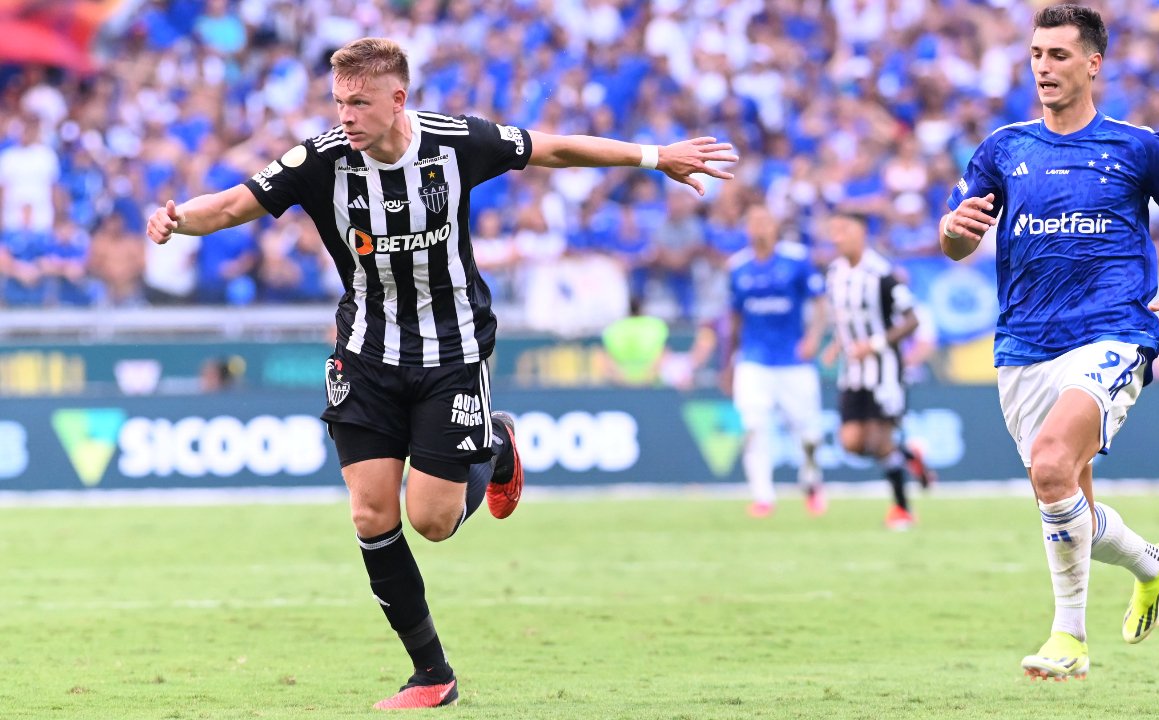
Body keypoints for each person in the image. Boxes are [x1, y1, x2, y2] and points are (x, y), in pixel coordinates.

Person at [145, 37, 736, 710]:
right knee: (370, 512)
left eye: (360, 102)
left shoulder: (458, 144)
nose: (347, 116)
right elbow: (231, 205)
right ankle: (432, 673)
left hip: (450, 354)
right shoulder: (321, 159)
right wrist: (177, 219)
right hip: (365, 355)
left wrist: (657, 158)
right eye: (339, 101)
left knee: (432, 521)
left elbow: (558, 149)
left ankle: (495, 442)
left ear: (398, 99)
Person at [939, 5, 1159, 680]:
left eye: (1059, 56)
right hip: (1024, 345)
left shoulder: (1139, 146)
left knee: (1052, 464)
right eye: (1036, 54)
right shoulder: (1002, 149)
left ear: (1093, 64)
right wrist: (955, 229)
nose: (1043, 68)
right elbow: (952, 243)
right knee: (1066, 500)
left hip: (1114, 331)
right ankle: (1154, 564)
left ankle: (1069, 638)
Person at [821, 213, 935, 531]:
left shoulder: (881, 273)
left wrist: (875, 344)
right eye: (833, 231)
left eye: (842, 230)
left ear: (860, 233)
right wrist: (835, 345)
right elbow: (842, 318)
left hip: (883, 370)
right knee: (852, 443)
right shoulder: (834, 274)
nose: (836, 238)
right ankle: (910, 456)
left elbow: (912, 319)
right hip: (852, 372)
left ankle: (902, 509)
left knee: (878, 439)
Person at [724, 204, 826, 518]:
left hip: (793, 360)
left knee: (809, 433)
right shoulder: (737, 267)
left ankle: (811, 484)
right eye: (753, 222)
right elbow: (735, 318)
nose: (759, 228)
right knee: (752, 428)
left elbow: (820, 303)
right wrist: (730, 359)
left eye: (765, 222)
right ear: (746, 229)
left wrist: (813, 339)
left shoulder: (796, 260)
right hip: (753, 361)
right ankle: (763, 496)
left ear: (775, 226)